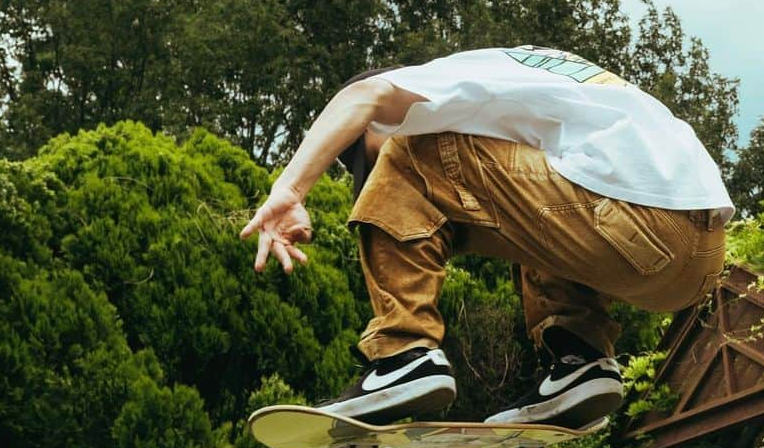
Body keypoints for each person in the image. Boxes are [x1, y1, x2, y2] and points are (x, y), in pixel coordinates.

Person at [240, 46, 733, 428]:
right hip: (697, 256)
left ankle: (404, 353)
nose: (371, 181)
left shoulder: (426, 83)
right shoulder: (516, 75)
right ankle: (581, 358)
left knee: (410, 153)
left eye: (363, 162)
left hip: (634, 218)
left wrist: (289, 188)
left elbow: (360, 97)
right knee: (531, 201)